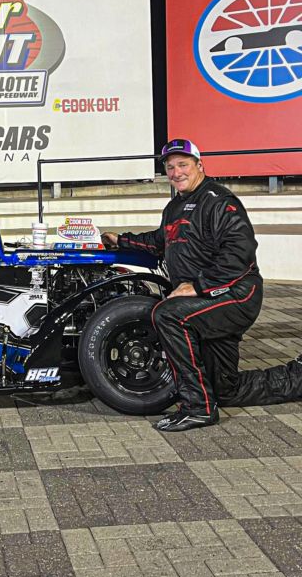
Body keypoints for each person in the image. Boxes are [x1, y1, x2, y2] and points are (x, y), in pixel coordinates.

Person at [101, 138, 302, 431]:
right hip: (210, 298)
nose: (176, 172)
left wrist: (198, 286)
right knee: (226, 389)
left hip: (236, 294)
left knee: (168, 314)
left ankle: (197, 408)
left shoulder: (219, 201)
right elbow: (159, 242)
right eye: (170, 167)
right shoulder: (174, 207)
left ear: (199, 165)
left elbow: (240, 253)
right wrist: (121, 240)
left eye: (183, 165)